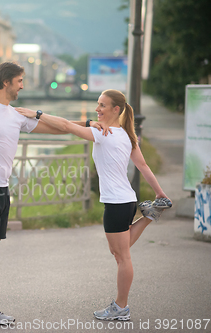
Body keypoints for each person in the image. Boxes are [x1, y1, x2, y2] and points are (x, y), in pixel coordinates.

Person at [0, 61, 107, 325]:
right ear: (6, 82)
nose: (23, 85)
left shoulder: (15, 116)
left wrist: (88, 124)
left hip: (2, 189)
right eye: (20, 81)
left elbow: (57, 127)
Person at [16, 89, 172, 321]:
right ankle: (149, 214)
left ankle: (121, 307)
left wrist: (37, 114)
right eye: (97, 104)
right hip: (125, 199)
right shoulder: (126, 135)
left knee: (122, 256)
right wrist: (159, 193)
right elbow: (144, 166)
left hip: (117, 202)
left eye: (102, 105)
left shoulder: (104, 134)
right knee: (120, 250)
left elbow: (66, 127)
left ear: (116, 109)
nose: (97, 109)